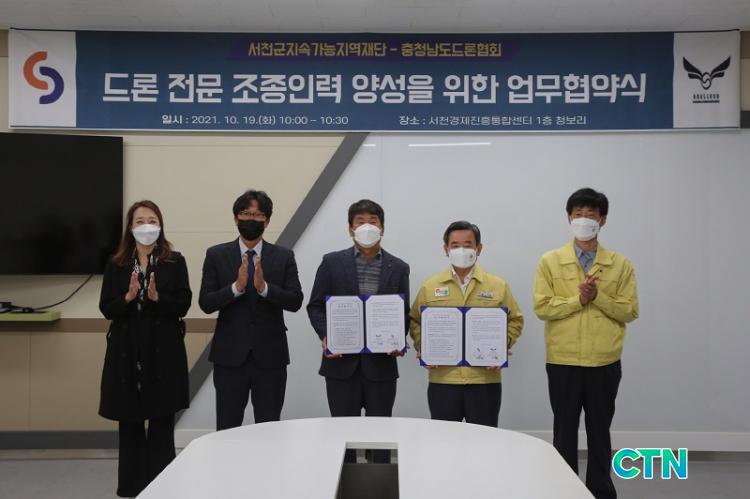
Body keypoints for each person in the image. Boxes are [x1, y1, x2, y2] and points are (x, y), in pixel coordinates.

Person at [534, 188, 639, 499]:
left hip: (603, 362)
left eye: (590, 215)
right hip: (563, 361)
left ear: (602, 220)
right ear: (569, 218)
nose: (583, 220)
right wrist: (578, 300)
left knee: (599, 431)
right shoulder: (550, 261)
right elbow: (542, 307)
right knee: (564, 431)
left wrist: (598, 297)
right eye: (578, 214)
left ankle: (601, 491)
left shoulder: (619, 264)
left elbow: (630, 311)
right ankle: (564, 490)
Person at [99, 200, 192, 497]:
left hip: (163, 352)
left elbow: (184, 303)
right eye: (140, 221)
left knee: (162, 423)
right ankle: (131, 489)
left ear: (160, 225)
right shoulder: (116, 263)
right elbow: (106, 307)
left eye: (152, 220)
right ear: (130, 227)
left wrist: (157, 297)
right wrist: (127, 297)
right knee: (130, 424)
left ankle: (163, 487)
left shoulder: (174, 261)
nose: (146, 226)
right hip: (127, 354)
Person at [307, 199, 409, 462]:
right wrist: (326, 336)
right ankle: (344, 482)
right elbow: (315, 306)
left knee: (381, 439)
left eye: (373, 221)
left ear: (382, 228)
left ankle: (381, 482)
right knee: (342, 438)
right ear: (350, 229)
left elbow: (402, 312)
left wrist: (399, 340)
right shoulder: (331, 262)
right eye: (360, 221)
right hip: (341, 366)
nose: (367, 226)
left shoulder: (399, 267)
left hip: (382, 366)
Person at [199, 189, 303, 431]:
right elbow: (206, 303)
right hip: (229, 357)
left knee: (268, 428)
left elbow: (295, 300)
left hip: (270, 357)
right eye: (246, 213)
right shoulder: (216, 255)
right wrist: (236, 288)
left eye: (258, 215)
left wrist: (264, 288)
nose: (251, 219)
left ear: (267, 220)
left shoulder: (283, 256)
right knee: (227, 427)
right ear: (236, 217)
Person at [409, 221, 523, 427]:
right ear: (446, 249)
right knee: (444, 439)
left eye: (468, 244)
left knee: (484, 439)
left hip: (484, 380)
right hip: (443, 380)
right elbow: (415, 320)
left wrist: (501, 344)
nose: (461, 250)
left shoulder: (498, 286)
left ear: (479, 248)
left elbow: (515, 319)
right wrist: (422, 345)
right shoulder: (430, 286)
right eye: (455, 245)